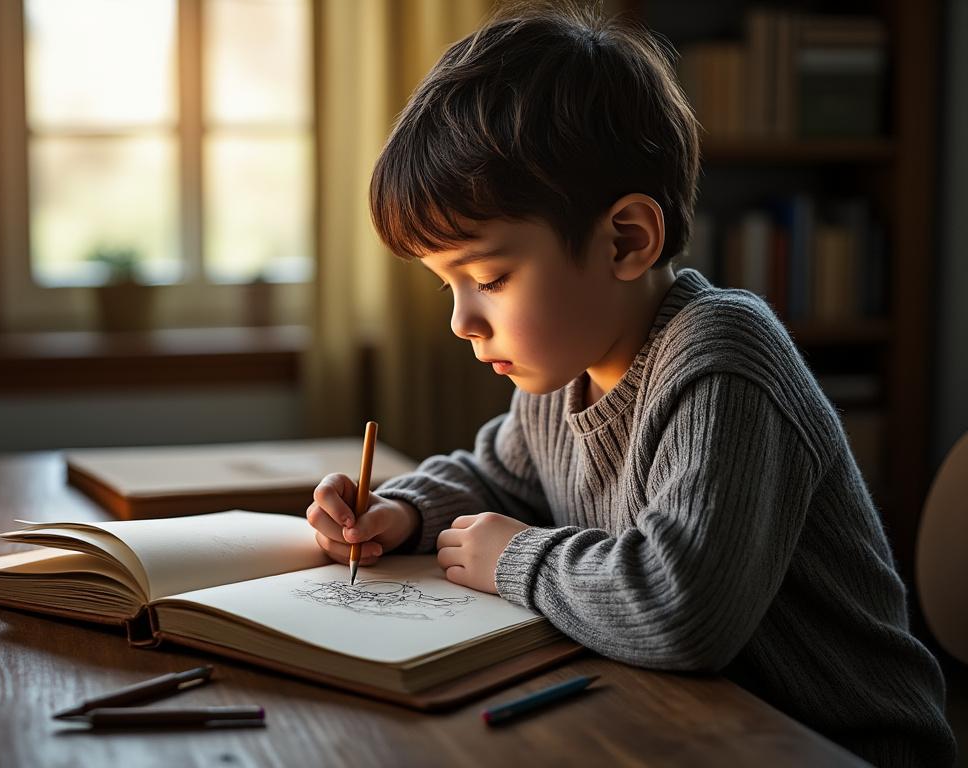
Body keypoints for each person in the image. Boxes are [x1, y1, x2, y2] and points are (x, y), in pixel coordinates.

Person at [304, 4, 956, 765]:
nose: (462, 322)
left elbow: (682, 610)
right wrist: (401, 511)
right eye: (449, 286)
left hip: (832, 744)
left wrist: (518, 559)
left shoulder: (724, 357)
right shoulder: (561, 374)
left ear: (626, 240)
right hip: (694, 726)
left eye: (488, 277)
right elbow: (500, 480)